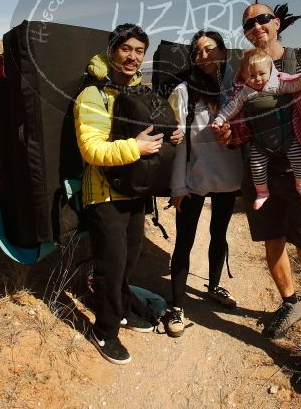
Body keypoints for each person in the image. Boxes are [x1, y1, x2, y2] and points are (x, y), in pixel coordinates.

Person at [215, 3, 301, 395]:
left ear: (276, 23)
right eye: (248, 23)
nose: (256, 25)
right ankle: (289, 302)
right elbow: (240, 125)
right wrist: (229, 136)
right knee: (272, 244)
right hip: (261, 172)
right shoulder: (243, 73)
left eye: (262, 19)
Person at [74, 23, 182, 364]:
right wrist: (135, 147)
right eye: (126, 49)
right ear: (111, 51)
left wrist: (171, 136)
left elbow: (154, 134)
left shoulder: (141, 92)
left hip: (134, 192)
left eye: (139, 51)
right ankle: (104, 331)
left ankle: (120, 308)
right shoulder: (93, 96)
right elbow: (91, 150)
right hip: (104, 195)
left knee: (129, 259)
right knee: (111, 265)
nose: (132, 57)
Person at [164, 30, 243, 337]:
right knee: (184, 241)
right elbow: (179, 145)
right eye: (197, 52)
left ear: (223, 51)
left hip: (229, 177)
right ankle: (177, 305)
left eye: (210, 49)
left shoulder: (239, 88)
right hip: (193, 180)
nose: (204, 56)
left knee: (219, 234)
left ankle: (214, 287)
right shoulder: (185, 92)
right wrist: (177, 187)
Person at [212, 48, 301, 209]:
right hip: (260, 143)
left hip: (288, 137)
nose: (257, 79)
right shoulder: (244, 93)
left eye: (262, 74)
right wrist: (220, 119)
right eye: (251, 76)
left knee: (298, 159)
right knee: (256, 166)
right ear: (244, 76)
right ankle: (262, 193)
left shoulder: (278, 84)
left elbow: (296, 82)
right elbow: (231, 108)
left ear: (271, 71)